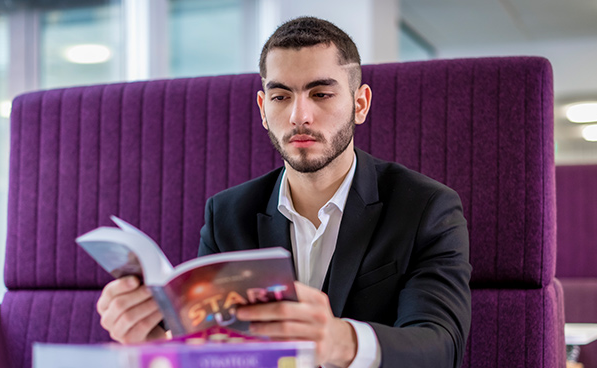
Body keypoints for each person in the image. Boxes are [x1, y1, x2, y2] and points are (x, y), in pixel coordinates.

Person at [96, 16, 471, 368]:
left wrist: (341, 340)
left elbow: (441, 344)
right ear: (263, 109)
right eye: (280, 97)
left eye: (321, 94)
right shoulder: (227, 215)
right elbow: (215, 352)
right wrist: (155, 341)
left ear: (360, 104)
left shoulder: (426, 208)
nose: (299, 116)